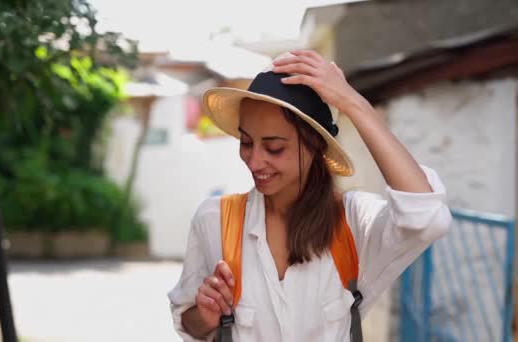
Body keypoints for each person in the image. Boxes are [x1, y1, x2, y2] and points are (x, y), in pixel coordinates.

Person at [167, 50, 452, 342]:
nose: (254, 161)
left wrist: (354, 104)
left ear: (315, 144)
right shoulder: (214, 220)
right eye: (246, 142)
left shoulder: (353, 223)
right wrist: (205, 315)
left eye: (274, 148)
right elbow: (188, 320)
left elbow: (426, 218)